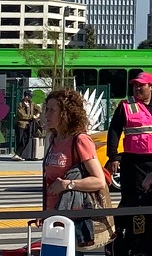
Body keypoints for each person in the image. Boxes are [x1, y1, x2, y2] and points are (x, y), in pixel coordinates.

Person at [106, 71, 152, 256]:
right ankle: (140, 245)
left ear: (151, 86)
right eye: (135, 85)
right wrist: (113, 156)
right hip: (134, 163)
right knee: (137, 205)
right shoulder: (126, 106)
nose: (137, 88)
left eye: (141, 85)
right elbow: (114, 130)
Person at [41, 88, 110, 221]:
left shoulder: (80, 140)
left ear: (65, 113)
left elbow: (99, 181)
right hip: (52, 214)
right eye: (46, 109)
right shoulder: (53, 139)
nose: (46, 115)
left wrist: (68, 184)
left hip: (72, 215)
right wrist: (44, 212)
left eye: (52, 110)